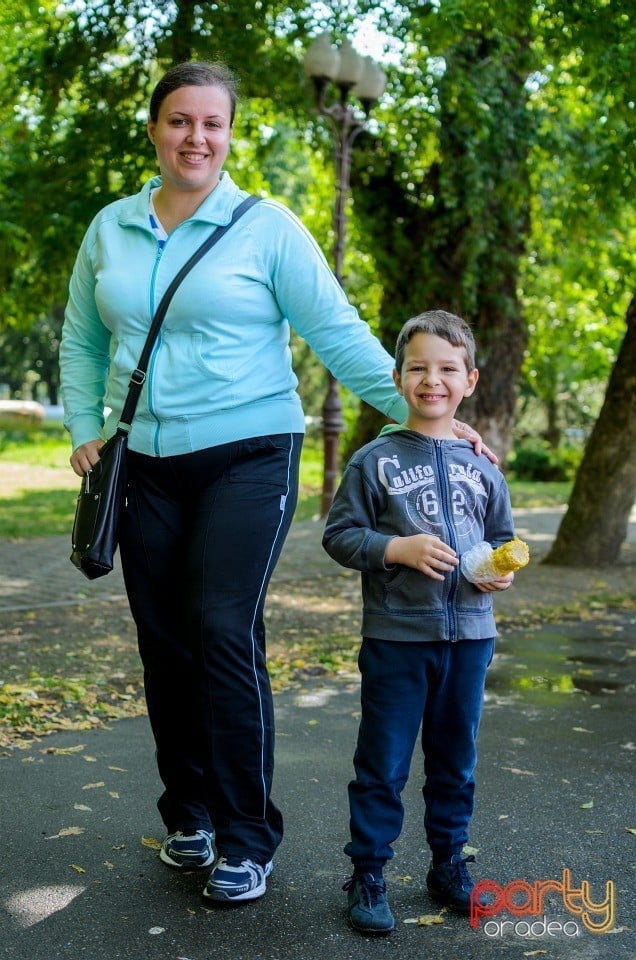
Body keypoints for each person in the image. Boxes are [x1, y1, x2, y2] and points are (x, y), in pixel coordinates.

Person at [60, 61, 491, 907]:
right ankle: (188, 813)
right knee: (164, 639)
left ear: (229, 135)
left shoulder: (267, 228)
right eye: (180, 121)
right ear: (153, 129)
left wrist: (425, 414)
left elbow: (337, 331)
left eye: (212, 124)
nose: (196, 138)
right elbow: (82, 336)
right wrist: (85, 428)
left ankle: (247, 834)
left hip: (250, 454)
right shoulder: (109, 228)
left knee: (221, 628)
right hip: (141, 462)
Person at [322, 309, 516, 934]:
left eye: (447, 369)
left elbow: (500, 537)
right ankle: (369, 870)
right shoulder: (372, 462)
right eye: (419, 368)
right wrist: (394, 549)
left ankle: (448, 863)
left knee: (456, 758)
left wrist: (501, 571)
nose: (432, 380)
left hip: (471, 636)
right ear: (399, 378)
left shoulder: (483, 464)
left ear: (470, 380)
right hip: (397, 637)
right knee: (383, 762)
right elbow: (340, 535)